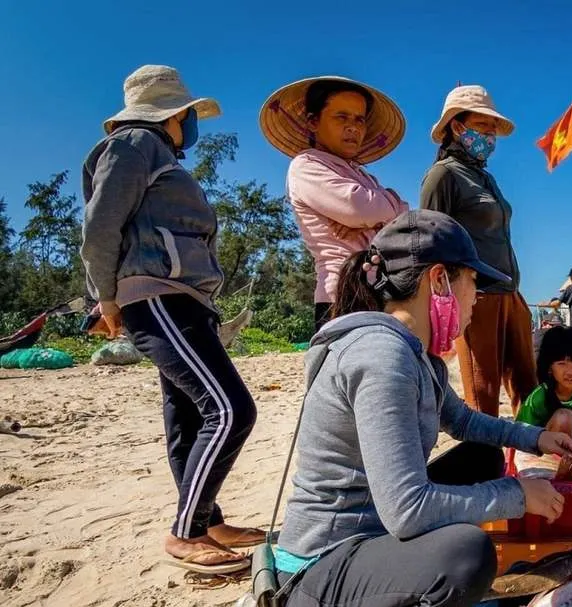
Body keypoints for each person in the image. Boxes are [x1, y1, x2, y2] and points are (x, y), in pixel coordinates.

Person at [273, 210, 572, 607]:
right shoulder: (382, 357)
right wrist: (516, 495)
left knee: (482, 457)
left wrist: (535, 438)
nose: (475, 300)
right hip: (319, 579)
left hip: (364, 545)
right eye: (472, 284)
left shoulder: (416, 355)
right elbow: (407, 509)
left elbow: (465, 422)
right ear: (440, 280)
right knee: (467, 555)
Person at [81, 65, 263, 575]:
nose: (192, 123)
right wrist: (106, 300)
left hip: (182, 299)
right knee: (230, 411)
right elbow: (100, 226)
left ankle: (206, 519)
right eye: (188, 114)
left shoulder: (154, 152)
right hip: (157, 297)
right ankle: (186, 532)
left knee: (187, 418)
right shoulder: (134, 143)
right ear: (173, 115)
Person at [420, 85, 536, 417]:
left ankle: (529, 464)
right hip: (476, 297)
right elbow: (430, 244)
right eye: (482, 126)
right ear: (457, 126)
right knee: (483, 400)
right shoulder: (442, 176)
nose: (489, 135)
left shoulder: (486, 178)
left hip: (510, 294)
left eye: (492, 128)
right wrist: (441, 307)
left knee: (530, 393)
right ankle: (485, 467)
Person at [260, 76, 409, 331]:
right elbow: (359, 208)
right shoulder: (307, 166)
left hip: (381, 289)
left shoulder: (363, 176)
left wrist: (374, 218)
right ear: (313, 121)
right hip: (341, 293)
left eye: (359, 119)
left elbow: (405, 218)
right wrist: (382, 212)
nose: (353, 127)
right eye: (342, 117)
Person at [516, 326, 572, 442]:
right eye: (562, 364)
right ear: (550, 367)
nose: (571, 372)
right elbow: (522, 434)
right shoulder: (540, 397)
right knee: (565, 417)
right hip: (542, 452)